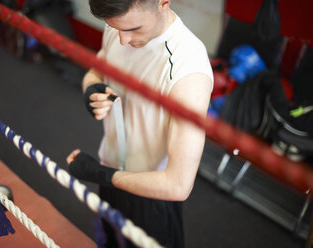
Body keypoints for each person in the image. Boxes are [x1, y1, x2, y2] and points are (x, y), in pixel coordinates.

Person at [66, 0, 213, 247]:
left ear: (163, 2)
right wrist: (91, 89)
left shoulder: (188, 71)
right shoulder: (118, 26)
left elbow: (178, 185)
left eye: (133, 29)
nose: (122, 39)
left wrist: (98, 174)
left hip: (151, 195)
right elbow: (98, 70)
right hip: (110, 173)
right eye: (115, 28)